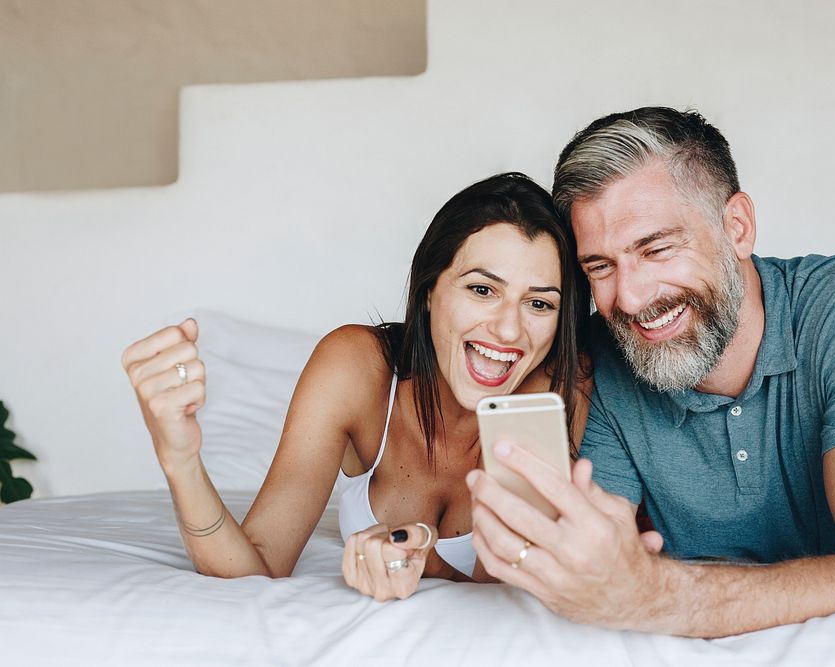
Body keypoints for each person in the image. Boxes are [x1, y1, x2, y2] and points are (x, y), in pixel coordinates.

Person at [466, 107, 835, 637]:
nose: (630, 298)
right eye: (600, 267)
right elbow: (590, 555)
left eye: (655, 248)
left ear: (738, 228)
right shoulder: (604, 354)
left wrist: (659, 597)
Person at [122, 172, 589, 601]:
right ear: (430, 290)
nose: (508, 331)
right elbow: (256, 567)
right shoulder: (357, 367)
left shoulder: (556, 391)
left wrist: (425, 560)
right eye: (482, 290)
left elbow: (516, 589)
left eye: (539, 304)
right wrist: (179, 460)